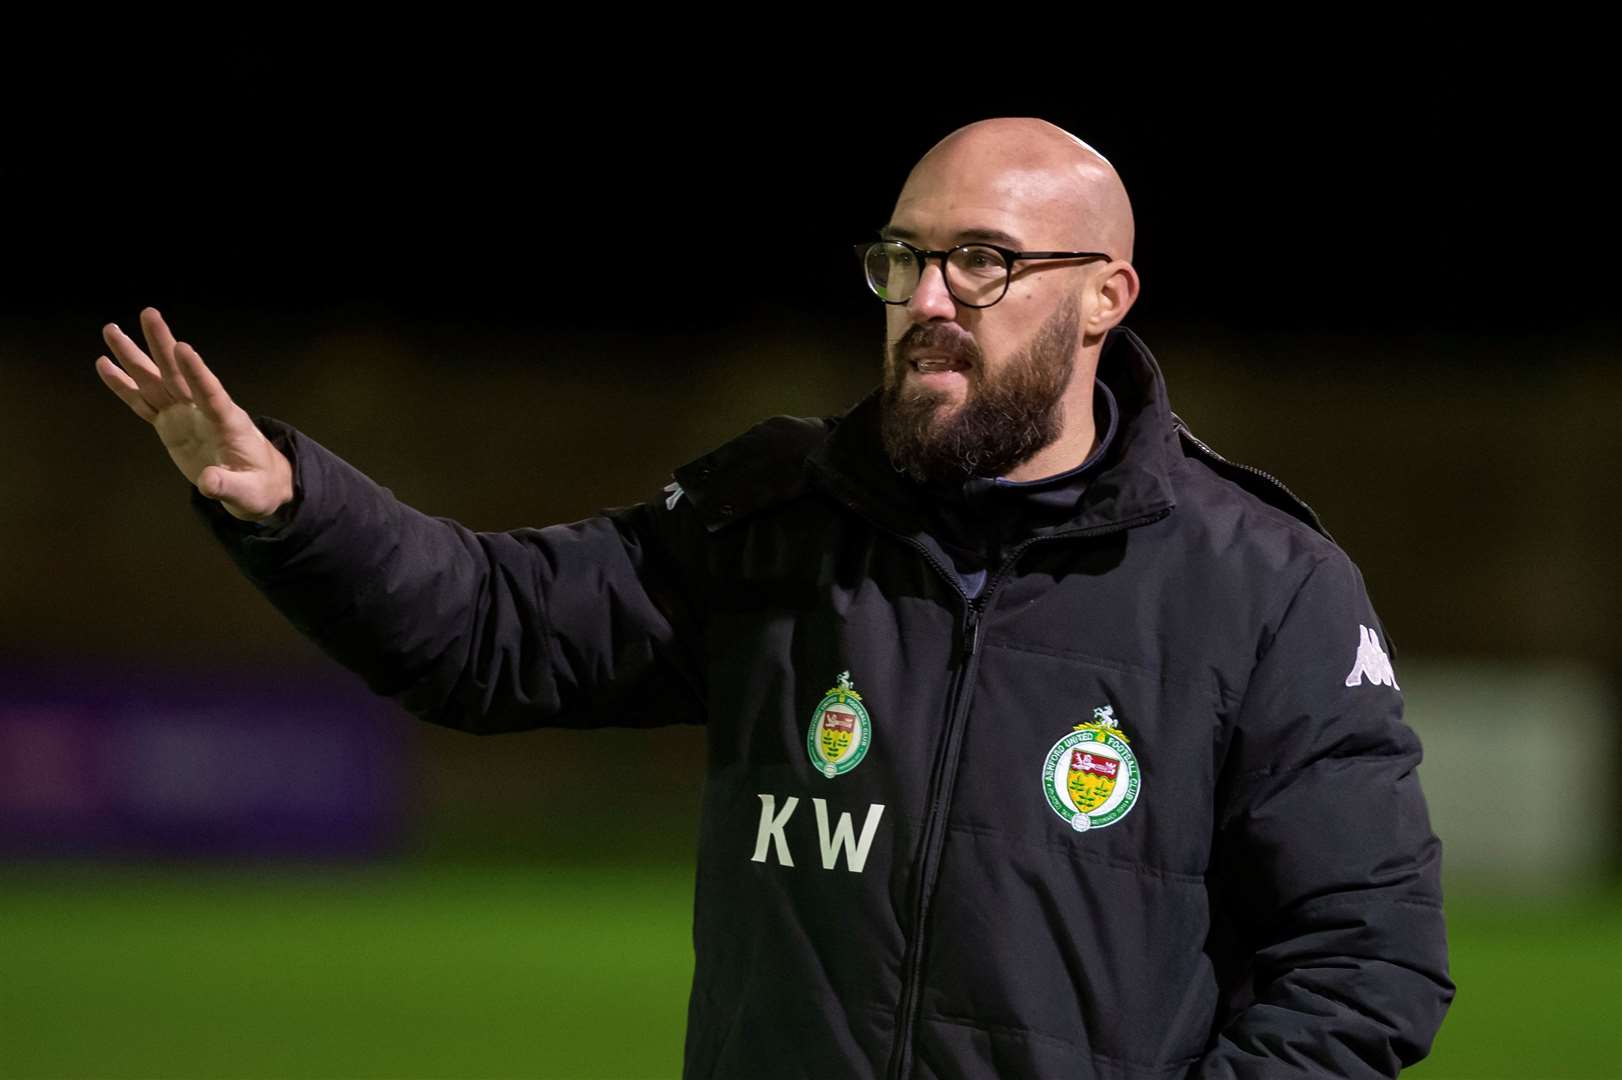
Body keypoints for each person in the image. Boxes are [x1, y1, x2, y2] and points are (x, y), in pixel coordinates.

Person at [94, 118, 1453, 1078]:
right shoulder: (782, 519)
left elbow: (1364, 962)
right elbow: (494, 632)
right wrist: (286, 502)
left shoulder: (1263, 583)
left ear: (1102, 297)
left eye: (979, 260)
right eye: (900, 258)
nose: (926, 297)